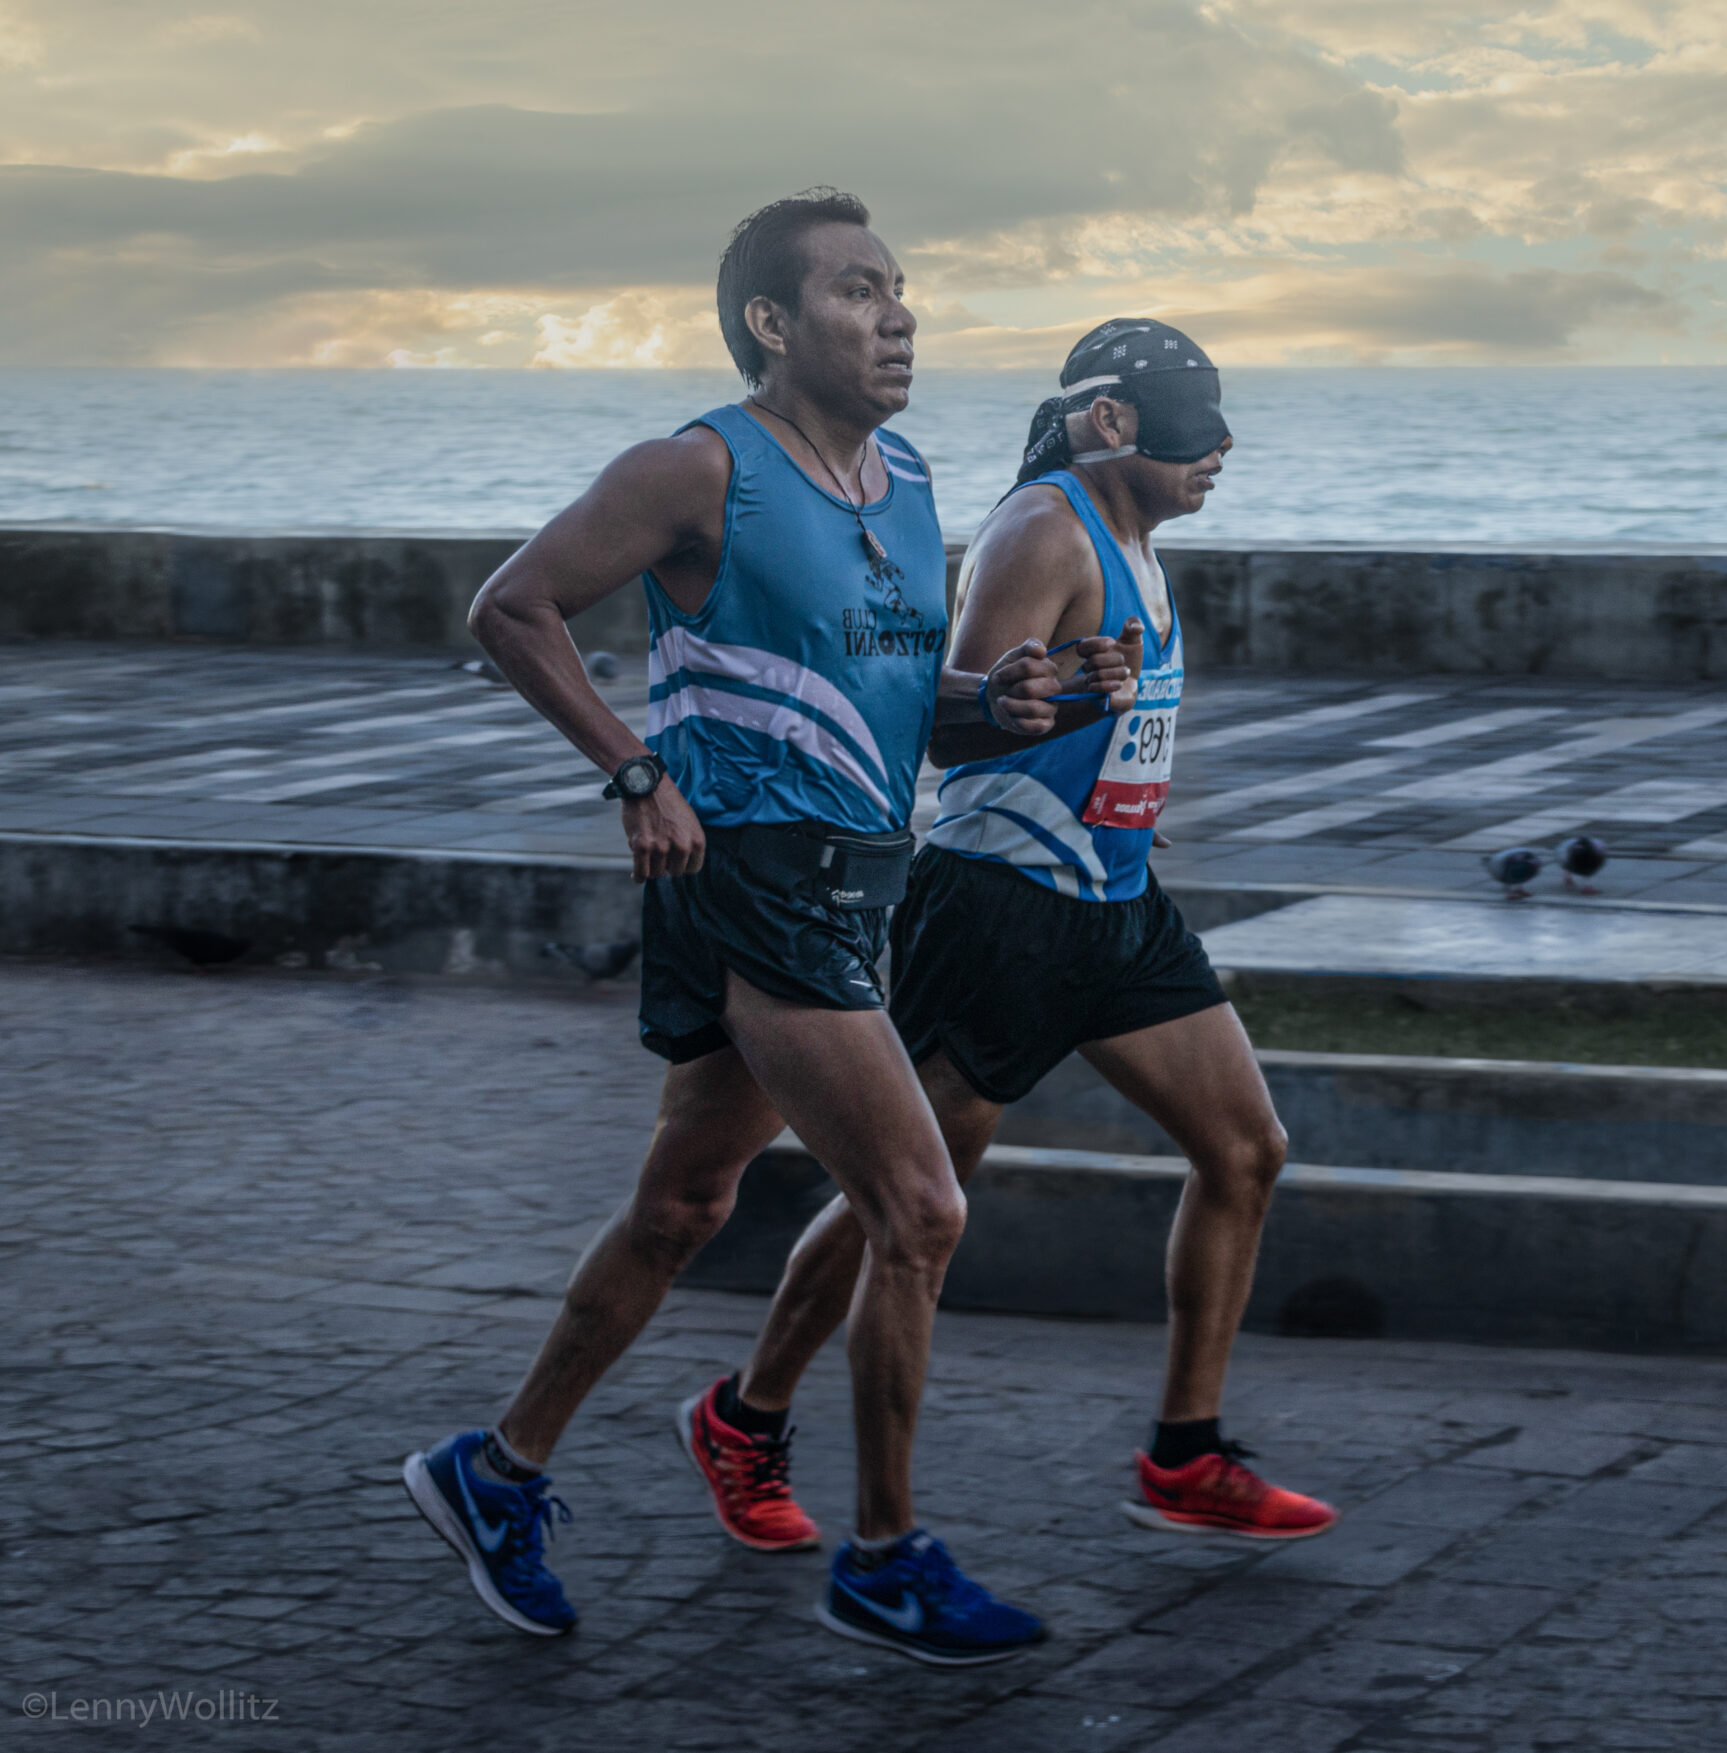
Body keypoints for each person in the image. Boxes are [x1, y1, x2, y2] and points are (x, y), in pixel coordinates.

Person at [401, 190, 1128, 1667]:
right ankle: (883, 1557)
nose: (899, 313)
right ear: (772, 324)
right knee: (919, 1207)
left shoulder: (911, 482)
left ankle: (499, 1467)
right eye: (859, 291)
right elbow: (513, 605)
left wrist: (1018, 705)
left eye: (903, 287)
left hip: (864, 875)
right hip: (753, 873)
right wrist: (634, 767)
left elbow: (903, 715)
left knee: (683, 1206)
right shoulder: (697, 467)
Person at [676, 320, 1339, 1560]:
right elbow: (958, 727)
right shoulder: (1046, 526)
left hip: (1117, 907)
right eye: (1193, 430)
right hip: (996, 912)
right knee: (908, 1207)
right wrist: (1064, 697)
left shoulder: (1135, 535)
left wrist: (1105, 725)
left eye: (1222, 427)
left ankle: (1185, 1455)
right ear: (1109, 424)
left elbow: (1098, 719)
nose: (1220, 452)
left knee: (1245, 1150)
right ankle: (746, 1419)